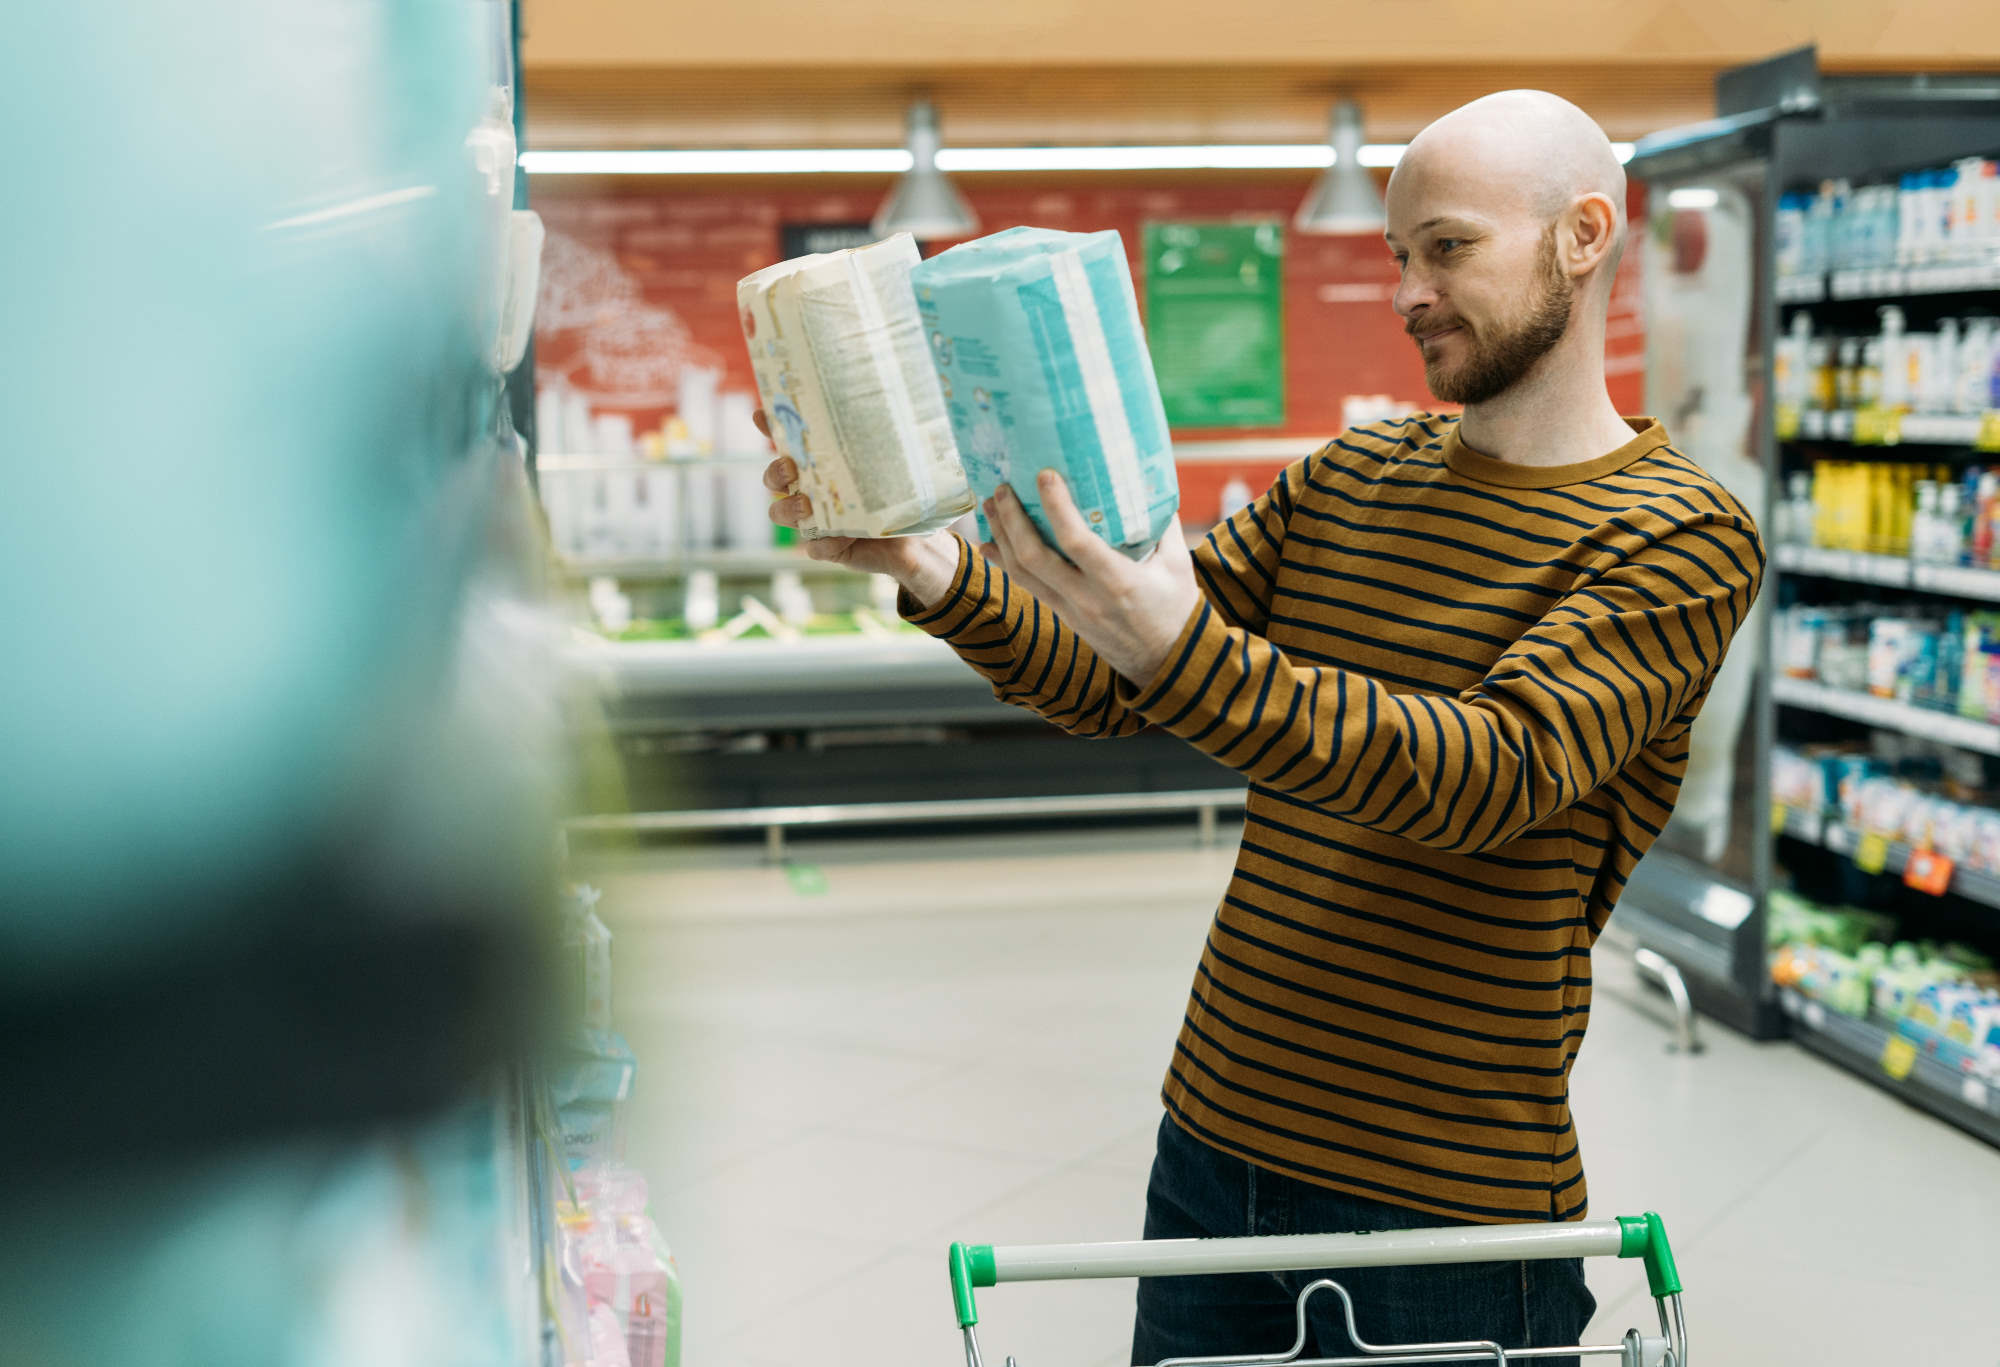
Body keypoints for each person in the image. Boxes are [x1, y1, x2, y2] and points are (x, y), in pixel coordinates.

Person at [756, 89, 1762, 1365]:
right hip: (1213, 1129)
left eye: (1445, 247)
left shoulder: (1676, 536)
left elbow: (1482, 775)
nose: (1407, 290)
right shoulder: (1350, 476)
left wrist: (1180, 644)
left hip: (1442, 1194)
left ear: (1582, 234)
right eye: (1397, 256)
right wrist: (934, 570)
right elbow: (1117, 679)